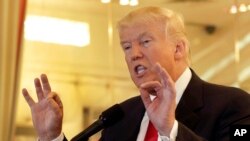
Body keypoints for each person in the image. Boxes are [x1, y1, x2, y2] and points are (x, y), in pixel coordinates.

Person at [22, 6, 250, 141]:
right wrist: (52, 137)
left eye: (145, 41)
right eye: (127, 47)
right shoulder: (119, 118)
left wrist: (170, 130)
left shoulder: (236, 105)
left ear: (178, 49)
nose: (134, 54)